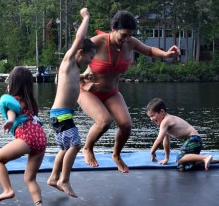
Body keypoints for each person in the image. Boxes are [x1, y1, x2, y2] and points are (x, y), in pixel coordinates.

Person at [77, 10, 180, 173]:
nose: (126, 39)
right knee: (104, 121)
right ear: (113, 28)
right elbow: (69, 64)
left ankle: (116, 155)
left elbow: (150, 51)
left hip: (111, 92)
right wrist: (83, 79)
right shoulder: (97, 42)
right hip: (87, 91)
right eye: (124, 35)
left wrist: (166, 54)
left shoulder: (130, 42)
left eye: (130, 35)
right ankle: (88, 148)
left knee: (126, 125)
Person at [46, 7, 97, 198]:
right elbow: (79, 38)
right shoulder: (68, 60)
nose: (90, 61)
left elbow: (71, 83)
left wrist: (84, 78)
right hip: (62, 114)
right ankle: (64, 180)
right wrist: (86, 17)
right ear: (80, 52)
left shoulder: (74, 69)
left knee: (66, 148)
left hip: (59, 114)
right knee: (75, 146)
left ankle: (53, 177)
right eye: (89, 57)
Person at [0, 66, 48, 206]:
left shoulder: (13, 100)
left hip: (27, 137)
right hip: (41, 139)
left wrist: (10, 121)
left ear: (13, 83)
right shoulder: (31, 102)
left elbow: (12, 111)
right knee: (29, 178)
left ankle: (7, 190)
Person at [145, 98, 219, 170]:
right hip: (195, 141)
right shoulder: (165, 123)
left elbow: (159, 140)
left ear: (162, 111)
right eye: (150, 117)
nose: (151, 119)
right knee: (182, 166)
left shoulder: (166, 121)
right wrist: (166, 158)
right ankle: (208, 160)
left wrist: (152, 152)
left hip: (194, 139)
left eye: (152, 115)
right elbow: (166, 142)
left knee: (180, 158)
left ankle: (205, 157)